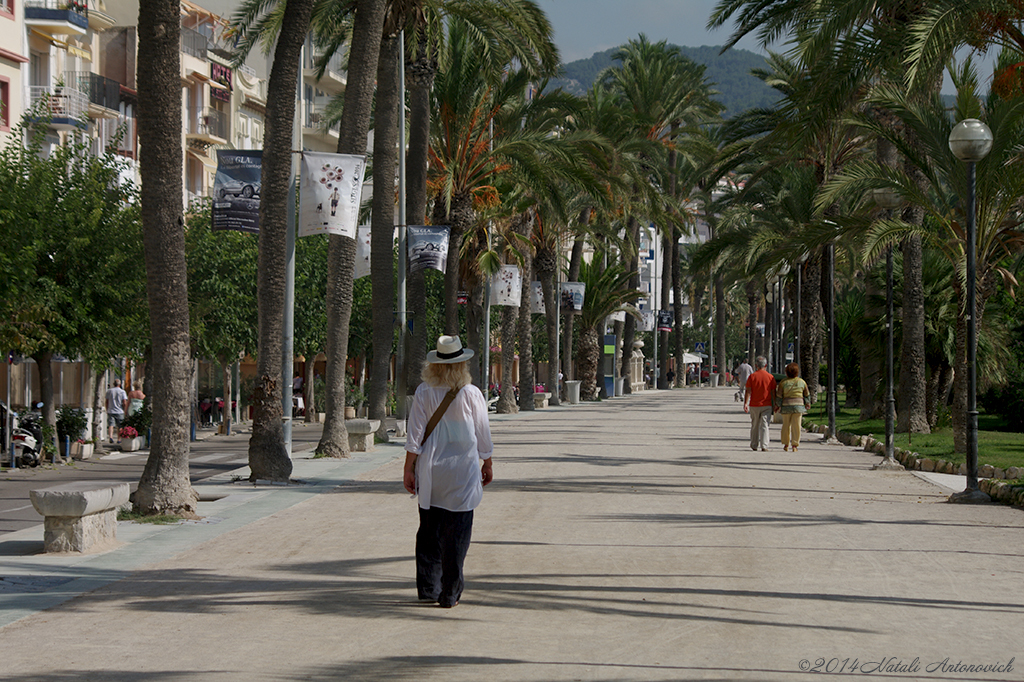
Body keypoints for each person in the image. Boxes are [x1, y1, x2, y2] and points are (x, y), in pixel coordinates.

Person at [404, 335, 494, 608]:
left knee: (429, 533)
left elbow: (415, 434)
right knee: (457, 535)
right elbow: (482, 433)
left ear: (435, 365)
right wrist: (487, 463)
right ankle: (450, 593)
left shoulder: (424, 391)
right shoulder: (471, 393)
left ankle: (430, 588)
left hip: (432, 471)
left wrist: (409, 468)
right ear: (461, 365)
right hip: (462, 473)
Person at [743, 356, 776, 451]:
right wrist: (775, 404)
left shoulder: (752, 377)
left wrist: (745, 403)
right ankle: (764, 445)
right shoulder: (770, 377)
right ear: (765, 365)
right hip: (767, 405)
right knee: (765, 425)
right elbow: (773, 392)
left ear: (756, 365)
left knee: (755, 425)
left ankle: (754, 444)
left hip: (754, 405)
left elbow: (748, 391)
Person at [776, 363, 810, 451]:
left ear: (786, 372)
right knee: (797, 426)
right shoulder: (802, 382)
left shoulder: (783, 382)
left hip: (786, 406)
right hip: (798, 407)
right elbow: (806, 394)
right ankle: (795, 445)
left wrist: (777, 405)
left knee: (786, 425)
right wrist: (807, 403)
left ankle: (786, 444)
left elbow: (779, 396)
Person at [105, 379, 128, 443]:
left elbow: (107, 401)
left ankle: (110, 437)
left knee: (111, 425)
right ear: (120, 384)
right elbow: (124, 402)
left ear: (113, 384)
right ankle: (119, 439)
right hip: (119, 411)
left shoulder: (109, 391)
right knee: (120, 426)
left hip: (111, 410)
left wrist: (107, 409)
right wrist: (125, 409)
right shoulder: (122, 391)